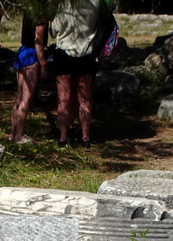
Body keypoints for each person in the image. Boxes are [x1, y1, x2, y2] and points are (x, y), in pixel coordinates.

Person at [50, 0, 105, 147]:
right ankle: (85, 137)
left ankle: (63, 137)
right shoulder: (96, 2)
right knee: (85, 98)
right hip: (86, 53)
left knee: (63, 97)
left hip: (64, 53)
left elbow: (54, 29)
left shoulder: (65, 3)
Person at [10, 15, 48, 144]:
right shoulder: (41, 16)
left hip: (22, 52)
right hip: (31, 55)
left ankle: (13, 133)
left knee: (19, 97)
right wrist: (43, 64)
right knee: (26, 98)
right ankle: (19, 135)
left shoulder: (28, 11)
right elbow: (38, 41)